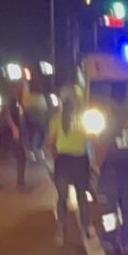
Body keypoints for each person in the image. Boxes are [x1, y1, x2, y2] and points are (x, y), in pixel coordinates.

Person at [46, 84, 100, 246]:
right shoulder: (85, 117)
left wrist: (55, 158)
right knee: (81, 195)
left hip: (63, 160)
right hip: (80, 159)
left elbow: (51, 143)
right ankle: (87, 227)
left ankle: (60, 230)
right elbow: (93, 139)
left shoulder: (56, 118)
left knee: (62, 197)